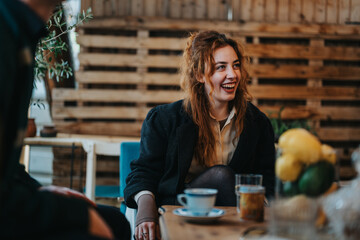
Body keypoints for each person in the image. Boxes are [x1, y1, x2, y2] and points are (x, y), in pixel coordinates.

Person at [124, 31, 276, 240]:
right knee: (221, 176)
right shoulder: (164, 119)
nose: (232, 74)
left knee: (225, 179)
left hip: (231, 217)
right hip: (178, 210)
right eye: (221, 67)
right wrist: (145, 214)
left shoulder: (257, 123)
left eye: (236, 65)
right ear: (199, 75)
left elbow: (268, 180)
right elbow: (144, 173)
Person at [0, 0, 130, 239]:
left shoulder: (21, 34)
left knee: (114, 220)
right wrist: (78, 215)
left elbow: (6, 171)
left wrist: (40, 190)